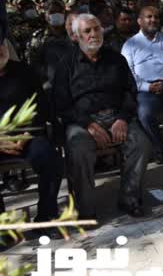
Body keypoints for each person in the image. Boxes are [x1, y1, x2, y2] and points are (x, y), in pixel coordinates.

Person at [53, 14, 152, 220]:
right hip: (82, 121)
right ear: (77, 36)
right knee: (78, 148)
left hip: (116, 117)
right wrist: (88, 124)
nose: (93, 34)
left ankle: (129, 198)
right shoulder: (66, 65)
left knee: (141, 143)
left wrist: (123, 118)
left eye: (96, 29)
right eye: (87, 31)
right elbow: (61, 104)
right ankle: (86, 208)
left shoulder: (116, 59)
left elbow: (130, 91)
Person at [0, 40, 63, 225]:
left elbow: (41, 107)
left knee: (51, 160)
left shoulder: (25, 72)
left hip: (28, 136)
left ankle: (46, 216)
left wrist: (27, 134)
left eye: (1, 44)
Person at [122, 7, 163, 164]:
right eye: (149, 17)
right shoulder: (130, 45)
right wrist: (147, 87)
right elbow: (128, 74)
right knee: (144, 113)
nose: (153, 20)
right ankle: (159, 149)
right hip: (145, 91)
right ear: (139, 21)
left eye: (156, 17)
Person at [27, 0, 71, 87]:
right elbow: (34, 64)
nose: (56, 14)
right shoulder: (39, 37)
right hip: (50, 85)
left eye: (60, 11)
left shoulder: (73, 34)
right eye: (52, 12)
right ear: (45, 15)